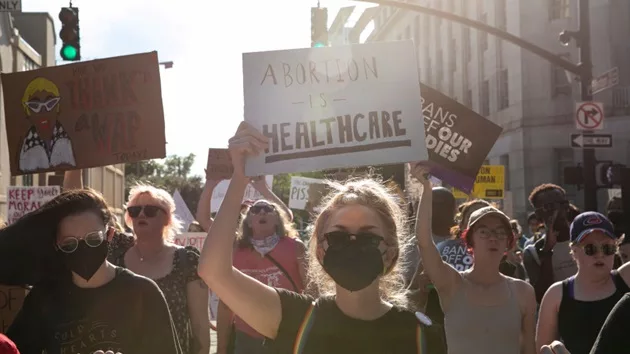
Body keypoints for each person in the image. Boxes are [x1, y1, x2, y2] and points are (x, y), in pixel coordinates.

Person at [199, 122, 432, 353]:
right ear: (320, 250)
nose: (352, 243)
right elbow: (213, 271)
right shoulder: (295, 319)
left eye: (368, 236)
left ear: (391, 251)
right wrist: (240, 176)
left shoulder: (422, 337)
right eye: (338, 236)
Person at [6, 189, 180, 354]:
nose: (83, 248)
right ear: (57, 246)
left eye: (93, 239)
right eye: (70, 244)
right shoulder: (44, 298)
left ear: (110, 234)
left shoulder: (143, 294)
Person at [411, 163, 536, 354]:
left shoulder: (523, 292)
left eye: (500, 232)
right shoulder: (452, 283)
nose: (493, 238)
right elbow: (424, 242)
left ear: (508, 244)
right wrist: (427, 189)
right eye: (484, 232)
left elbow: (529, 350)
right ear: (469, 241)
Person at [108, 185, 210, 354]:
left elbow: (200, 328)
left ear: (167, 219)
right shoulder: (115, 256)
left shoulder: (187, 260)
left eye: (150, 210)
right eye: (134, 210)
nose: (141, 214)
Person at [217, 196, 307, 354]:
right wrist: (221, 348)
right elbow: (226, 303)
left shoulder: (295, 247)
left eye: (268, 209)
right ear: (249, 222)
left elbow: (312, 290)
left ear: (277, 220)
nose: (262, 212)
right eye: (256, 210)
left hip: (289, 332)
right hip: (247, 338)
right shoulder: (235, 252)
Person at [536, 211, 629, 354]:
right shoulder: (556, 295)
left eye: (608, 248)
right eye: (590, 248)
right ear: (574, 251)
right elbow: (542, 350)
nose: (600, 254)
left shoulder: (626, 278)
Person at [523, 184, 577, 303]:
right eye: (550, 207)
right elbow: (540, 296)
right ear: (538, 215)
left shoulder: (584, 240)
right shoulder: (532, 252)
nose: (559, 211)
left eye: (563, 204)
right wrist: (547, 251)